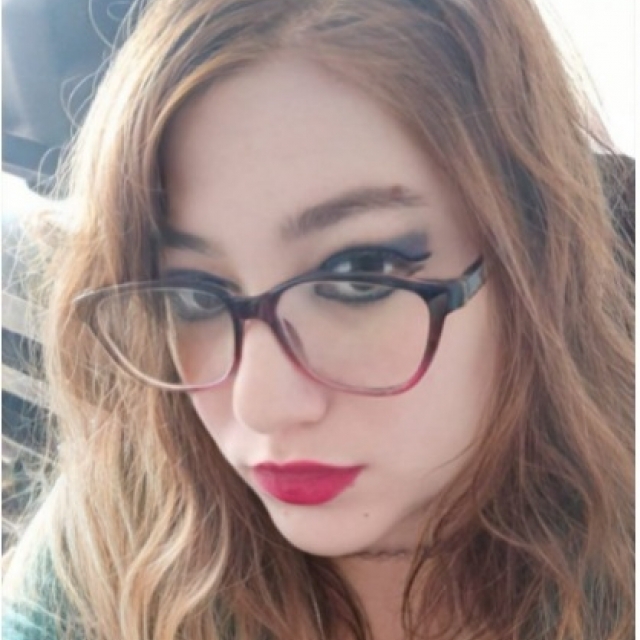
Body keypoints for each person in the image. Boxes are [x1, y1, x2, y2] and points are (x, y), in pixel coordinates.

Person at [2, 0, 634, 639]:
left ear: (536, 257)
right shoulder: (127, 519)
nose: (261, 407)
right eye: (194, 295)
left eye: (360, 274)